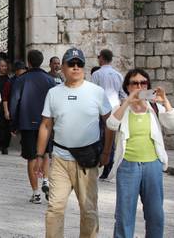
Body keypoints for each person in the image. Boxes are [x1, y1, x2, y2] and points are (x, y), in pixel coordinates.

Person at [35, 47, 113, 238]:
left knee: (88, 210)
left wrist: (106, 153)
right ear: (62, 67)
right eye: (71, 63)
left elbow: (110, 124)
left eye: (80, 64)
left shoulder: (96, 92)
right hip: (60, 159)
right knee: (54, 208)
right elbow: (46, 125)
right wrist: (39, 155)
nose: (76, 67)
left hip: (87, 160)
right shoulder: (53, 93)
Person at [106, 68, 174, 238]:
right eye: (134, 83)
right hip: (128, 165)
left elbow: (172, 124)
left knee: (155, 214)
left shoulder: (154, 107)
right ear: (127, 86)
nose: (139, 86)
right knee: (124, 215)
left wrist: (165, 101)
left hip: (153, 165)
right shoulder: (120, 107)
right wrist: (127, 102)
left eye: (143, 83)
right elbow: (111, 124)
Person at [9, 51, 55, 204]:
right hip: (46, 123)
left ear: (28, 61)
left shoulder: (21, 80)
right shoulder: (50, 80)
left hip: (28, 123)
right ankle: (46, 181)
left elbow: (14, 102)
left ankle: (36, 193)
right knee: (46, 153)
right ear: (42, 61)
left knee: (31, 157)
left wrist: (14, 124)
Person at [92, 49, 127, 179]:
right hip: (115, 109)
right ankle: (109, 165)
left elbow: (93, 94)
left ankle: (103, 163)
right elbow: (123, 94)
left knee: (102, 137)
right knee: (112, 139)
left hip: (102, 110)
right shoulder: (118, 75)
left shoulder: (97, 74)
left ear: (101, 58)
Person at [1, 61, 27, 153]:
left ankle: (24, 147)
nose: (23, 72)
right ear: (16, 71)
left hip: (23, 109)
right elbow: (5, 97)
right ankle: (4, 147)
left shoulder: (27, 81)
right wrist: (6, 111)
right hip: (12, 109)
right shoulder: (10, 82)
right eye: (21, 71)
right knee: (7, 129)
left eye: (24, 70)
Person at [0, 59, 11, 154]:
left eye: (5, 66)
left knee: (6, 126)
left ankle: (5, 145)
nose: (4, 68)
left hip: (7, 105)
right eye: (2, 66)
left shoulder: (9, 79)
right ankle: (0, 143)